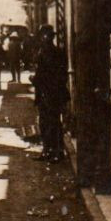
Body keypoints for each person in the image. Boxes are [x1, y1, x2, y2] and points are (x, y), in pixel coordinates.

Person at [31, 24, 69, 162]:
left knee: (52, 123)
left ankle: (57, 151)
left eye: (44, 36)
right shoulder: (52, 52)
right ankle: (49, 150)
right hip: (48, 92)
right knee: (46, 122)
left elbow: (46, 74)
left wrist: (34, 79)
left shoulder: (49, 53)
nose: (43, 38)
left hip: (51, 92)